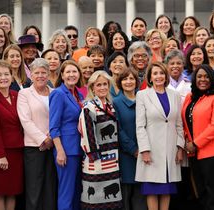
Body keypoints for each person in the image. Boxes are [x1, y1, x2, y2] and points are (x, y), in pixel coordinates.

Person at [135, 62, 184, 210]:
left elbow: (179, 124)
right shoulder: (142, 95)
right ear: (150, 77)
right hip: (152, 150)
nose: (158, 76)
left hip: (171, 151)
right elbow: (140, 126)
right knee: (152, 188)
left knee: (166, 189)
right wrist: (144, 150)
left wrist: (180, 147)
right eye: (155, 73)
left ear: (166, 76)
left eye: (161, 73)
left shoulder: (174, 95)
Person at [181, 64, 214, 210]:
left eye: (206, 76)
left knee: (212, 193)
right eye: (199, 76)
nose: (203, 79)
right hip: (194, 152)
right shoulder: (190, 97)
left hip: (213, 152)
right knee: (199, 192)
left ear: (212, 78)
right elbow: (185, 121)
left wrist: (195, 143)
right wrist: (187, 140)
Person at [79, 71, 123, 210]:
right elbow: (87, 133)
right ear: (92, 88)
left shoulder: (110, 105)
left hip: (112, 159)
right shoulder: (89, 107)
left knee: (111, 200)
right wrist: (94, 156)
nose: (103, 87)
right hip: (96, 161)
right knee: (95, 200)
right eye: (99, 85)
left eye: (105, 84)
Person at [17, 58, 56, 210]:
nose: (40, 76)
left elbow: (58, 118)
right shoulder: (24, 94)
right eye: (37, 73)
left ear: (48, 74)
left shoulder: (55, 93)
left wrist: (52, 138)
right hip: (34, 148)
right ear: (31, 75)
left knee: (50, 187)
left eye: (43, 72)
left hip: (53, 145)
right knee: (34, 189)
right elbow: (25, 121)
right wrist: (43, 139)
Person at [49, 60, 83, 210]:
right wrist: (60, 151)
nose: (71, 75)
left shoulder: (78, 93)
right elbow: (53, 126)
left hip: (80, 148)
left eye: (74, 71)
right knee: (66, 192)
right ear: (62, 75)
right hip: (66, 150)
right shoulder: (58, 93)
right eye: (68, 72)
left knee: (77, 192)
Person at [113, 68, 147, 210]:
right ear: (120, 83)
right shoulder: (116, 102)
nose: (128, 82)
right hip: (126, 154)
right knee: (126, 194)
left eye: (131, 78)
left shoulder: (143, 98)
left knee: (142, 195)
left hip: (145, 152)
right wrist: (133, 149)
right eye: (125, 79)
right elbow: (117, 129)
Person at [0, 60, 24, 210]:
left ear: (12, 77)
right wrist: (0, 155)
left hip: (17, 151)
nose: (3, 78)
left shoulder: (17, 95)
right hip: (1, 152)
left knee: (13, 192)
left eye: (6, 74)